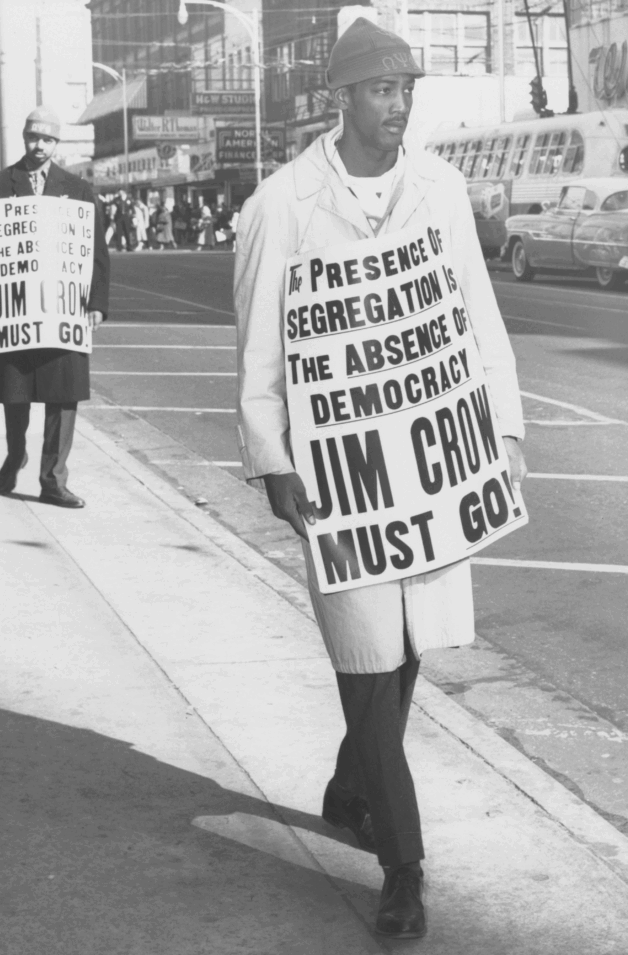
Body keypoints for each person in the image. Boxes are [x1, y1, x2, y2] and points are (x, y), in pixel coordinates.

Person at [234, 19, 527, 940]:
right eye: (381, 89)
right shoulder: (282, 204)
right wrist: (273, 458)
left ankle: (349, 783)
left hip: (431, 466)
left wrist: (506, 428)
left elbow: (476, 314)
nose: (398, 106)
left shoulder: (438, 188)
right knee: (365, 659)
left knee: (403, 653)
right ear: (343, 98)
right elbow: (259, 354)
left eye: (408, 89)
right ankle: (404, 870)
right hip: (343, 475)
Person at [0, 105, 110, 509]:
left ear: (56, 143)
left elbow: (96, 251)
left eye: (47, 139)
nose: (39, 146)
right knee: (16, 393)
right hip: (16, 312)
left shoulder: (77, 189)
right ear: (24, 138)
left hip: (64, 310)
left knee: (63, 397)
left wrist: (96, 303)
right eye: (34, 138)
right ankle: (15, 455)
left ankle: (53, 479)